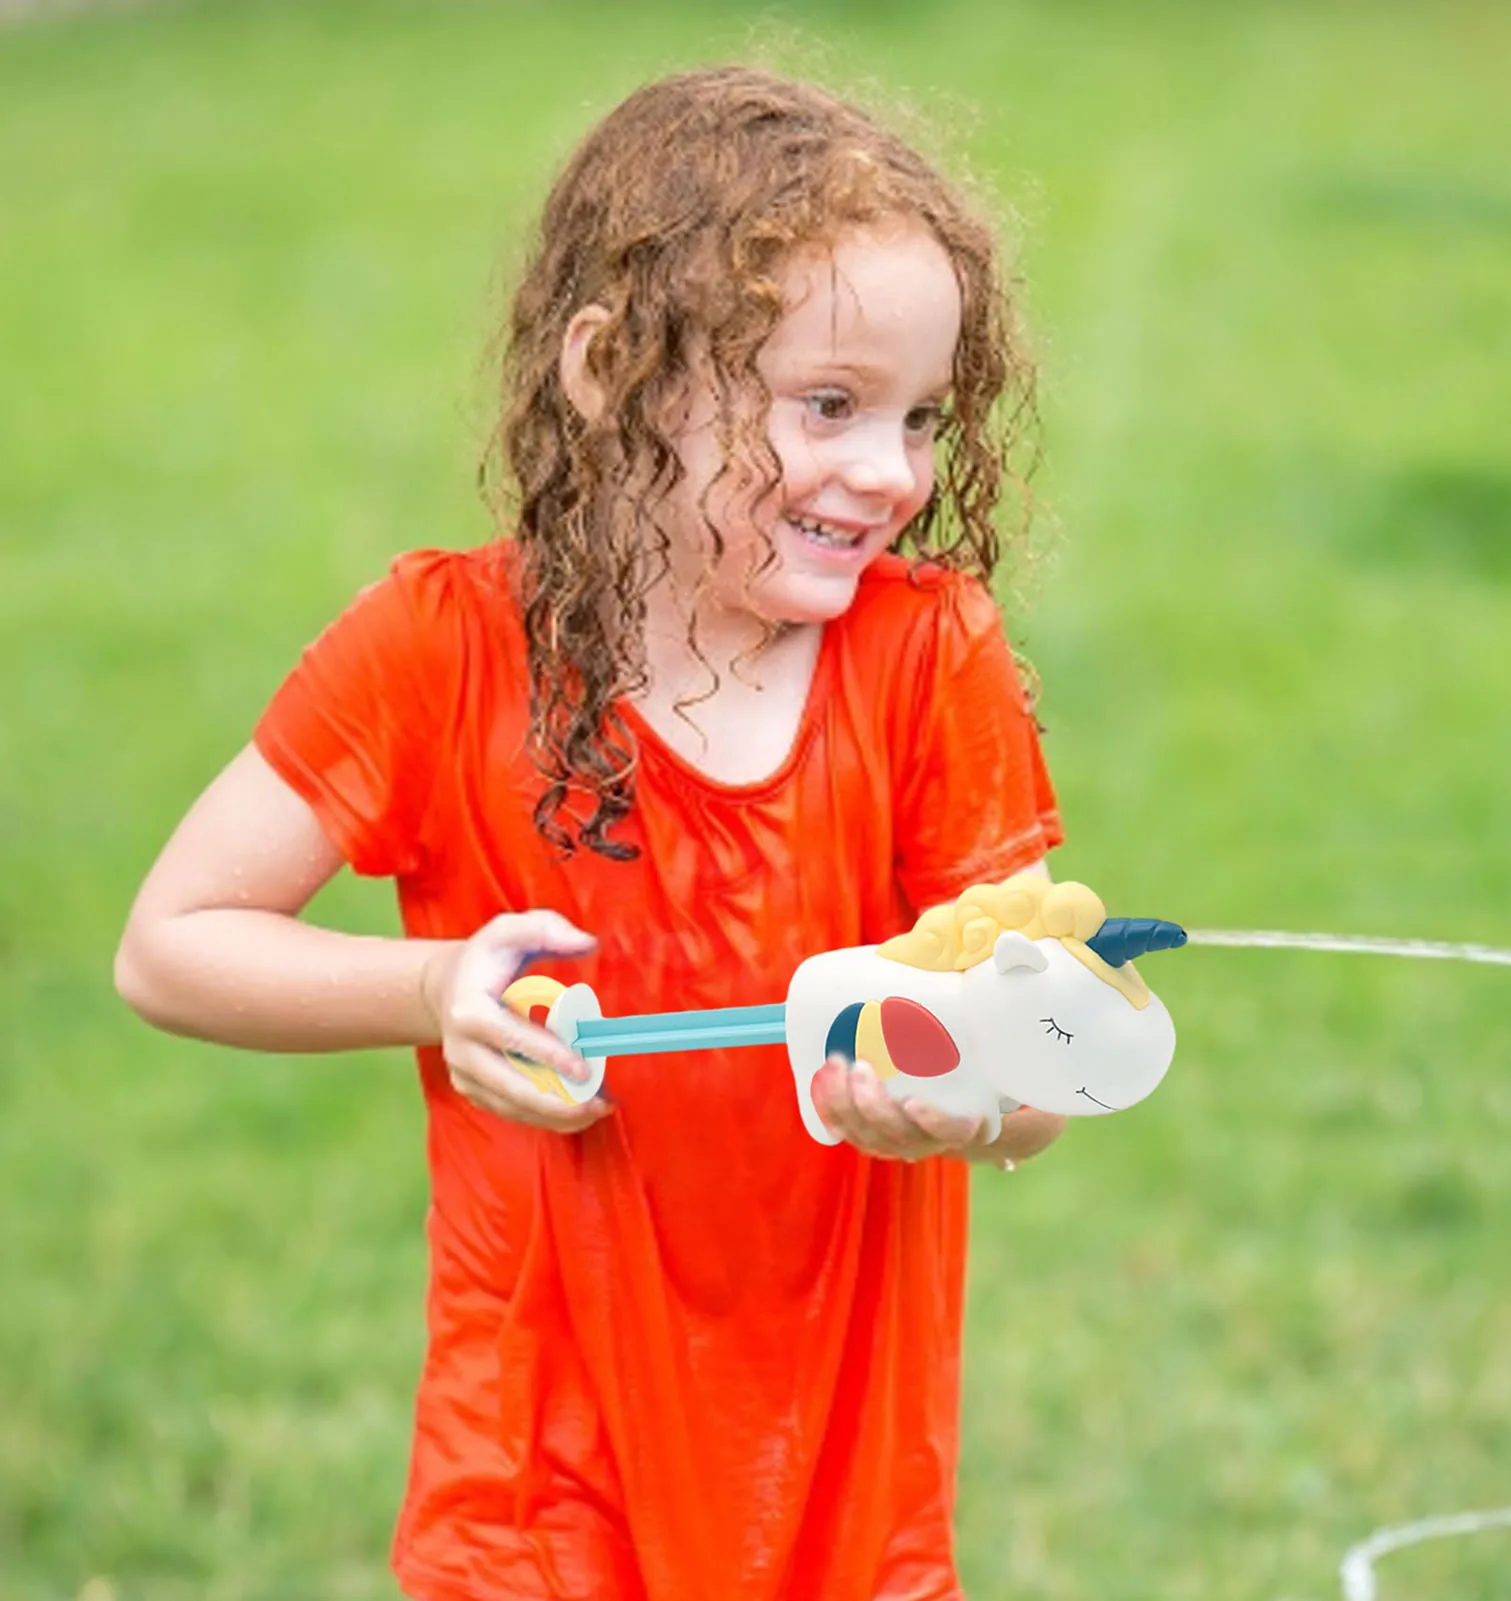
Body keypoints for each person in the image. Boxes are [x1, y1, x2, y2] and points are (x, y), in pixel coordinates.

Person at [115, 65, 1067, 1601]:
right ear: (614, 370)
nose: (891, 473)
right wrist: (431, 993)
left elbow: (1040, 1073)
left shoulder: (926, 658)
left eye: (920, 418)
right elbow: (170, 946)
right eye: (827, 406)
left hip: (843, 1497)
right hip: (532, 1500)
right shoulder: (441, 650)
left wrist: (963, 1099)